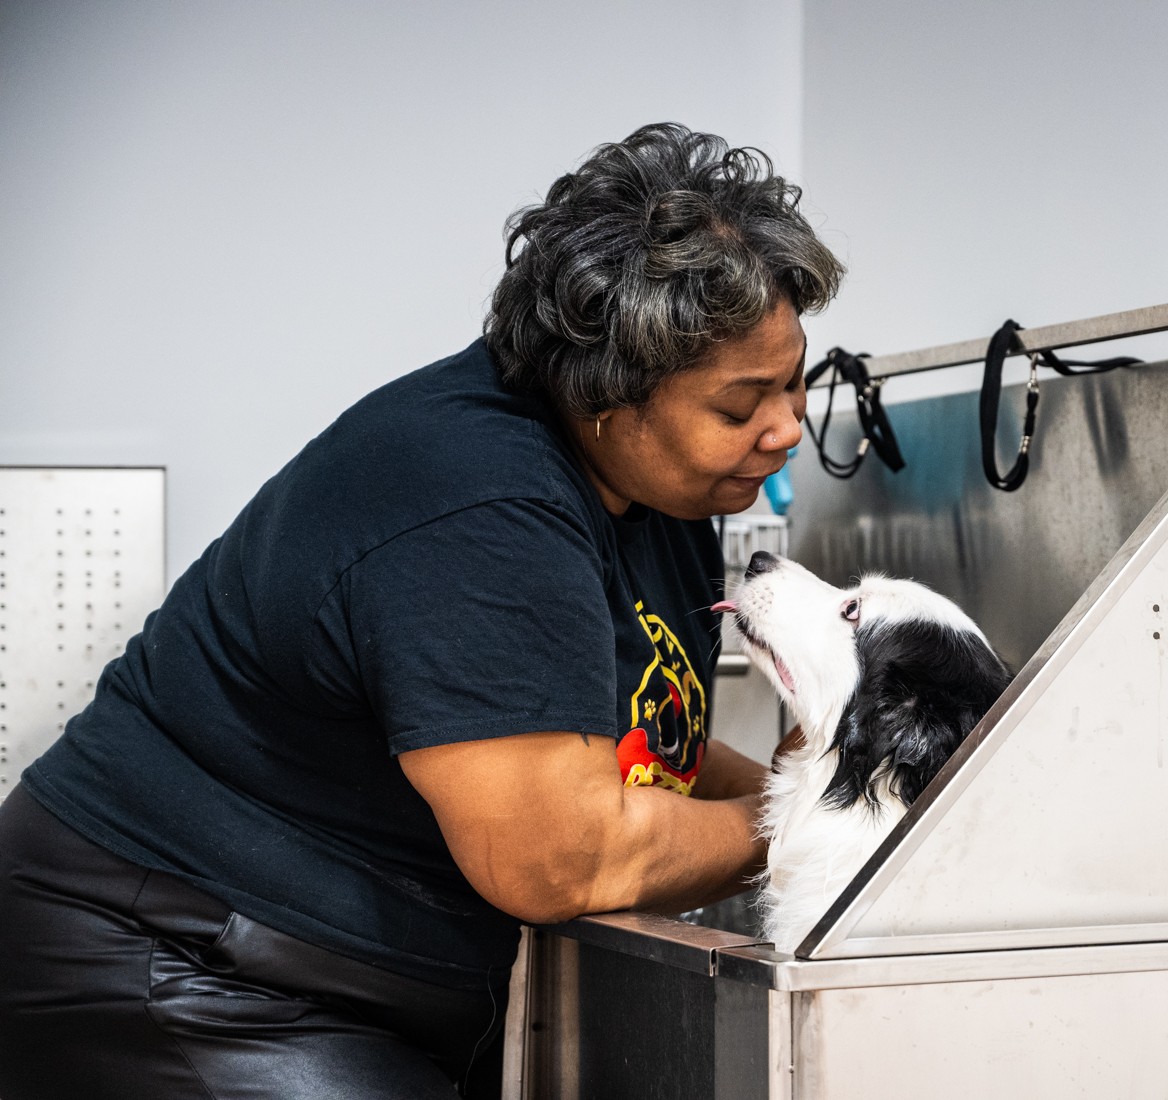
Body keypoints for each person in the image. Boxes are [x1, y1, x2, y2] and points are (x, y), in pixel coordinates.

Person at [0, 122, 843, 1100]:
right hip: (180, 958)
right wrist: (807, 823)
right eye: (741, 406)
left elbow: (637, 747)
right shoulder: (479, 502)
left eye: (794, 380)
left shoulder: (664, 491)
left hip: (352, 976)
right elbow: (557, 858)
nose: (784, 428)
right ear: (608, 396)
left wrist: (814, 776)